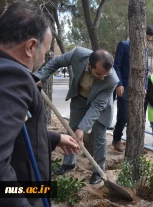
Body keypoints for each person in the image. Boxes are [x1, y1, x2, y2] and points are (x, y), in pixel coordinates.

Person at [0, 2, 80, 206]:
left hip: (29, 187)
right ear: (30, 47)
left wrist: (53, 138)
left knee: (49, 191)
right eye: (45, 51)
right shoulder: (13, 76)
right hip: (22, 191)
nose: (44, 58)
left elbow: (14, 130)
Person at [35, 47, 119, 185]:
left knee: (100, 136)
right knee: (72, 130)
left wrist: (83, 129)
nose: (102, 78)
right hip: (80, 97)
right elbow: (56, 62)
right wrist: (40, 76)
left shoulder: (112, 80)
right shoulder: (78, 55)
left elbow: (97, 107)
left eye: (106, 74)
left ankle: (98, 170)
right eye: (98, 74)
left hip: (100, 105)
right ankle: (69, 163)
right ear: (89, 65)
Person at [112, 25, 153, 152]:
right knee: (123, 116)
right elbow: (117, 66)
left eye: (149, 41)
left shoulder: (145, 51)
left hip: (138, 89)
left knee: (137, 117)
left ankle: (134, 143)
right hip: (124, 87)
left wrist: (145, 86)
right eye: (146, 39)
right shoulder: (124, 45)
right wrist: (119, 84)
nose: (147, 43)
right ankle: (117, 139)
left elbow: (146, 70)